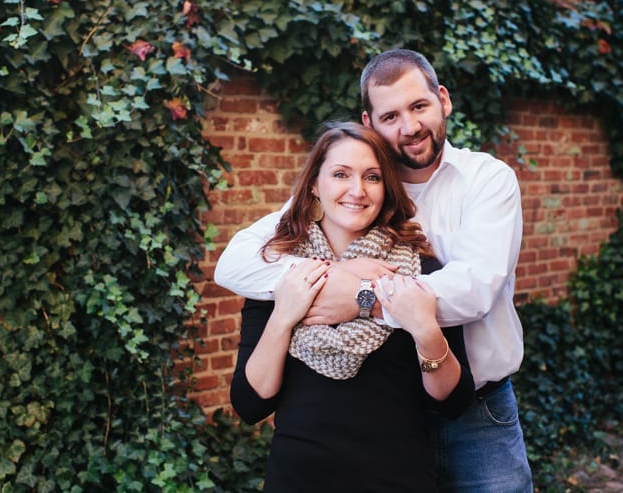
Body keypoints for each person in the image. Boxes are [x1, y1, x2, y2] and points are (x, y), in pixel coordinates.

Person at [216, 49, 533, 491]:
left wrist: (362, 297)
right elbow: (235, 261)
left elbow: (474, 291)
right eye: (390, 116)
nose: (409, 127)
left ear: (443, 99)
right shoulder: (354, 182)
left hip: (476, 410)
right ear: (370, 123)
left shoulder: (487, 179)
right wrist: (320, 280)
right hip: (369, 436)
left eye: (419, 106)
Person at [229, 121, 475, 492]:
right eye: (341, 174)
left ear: (386, 188)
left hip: (398, 479)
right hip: (298, 480)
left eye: (372, 177)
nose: (357, 191)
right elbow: (250, 404)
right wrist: (283, 316)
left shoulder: (420, 270)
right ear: (314, 184)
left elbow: (453, 402)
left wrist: (425, 331)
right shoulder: (280, 273)